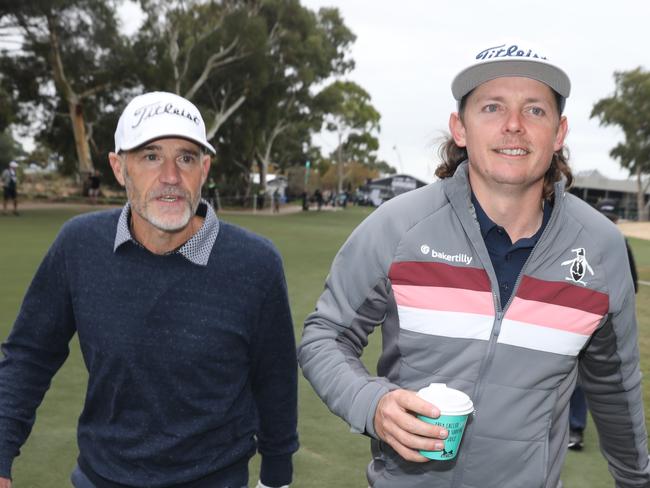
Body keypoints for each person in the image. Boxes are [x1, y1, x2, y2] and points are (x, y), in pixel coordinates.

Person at [298, 41, 650, 487]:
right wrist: (371, 404)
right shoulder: (398, 226)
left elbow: (616, 389)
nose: (513, 126)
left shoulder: (601, 248)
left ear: (559, 133)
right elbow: (325, 335)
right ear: (459, 128)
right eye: (491, 107)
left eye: (535, 111)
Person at [0, 91, 298, 488]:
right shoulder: (79, 244)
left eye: (186, 157)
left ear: (204, 169)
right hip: (99, 478)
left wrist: (277, 478)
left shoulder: (256, 263)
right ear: (119, 168)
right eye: (151, 156)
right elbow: (29, 357)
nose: (171, 177)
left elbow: (275, 379)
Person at [568, 206, 639, 451]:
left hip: (595, 319)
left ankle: (575, 429)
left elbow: (629, 285)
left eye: (611, 217)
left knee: (582, 379)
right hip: (568, 315)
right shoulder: (573, 237)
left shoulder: (616, 242)